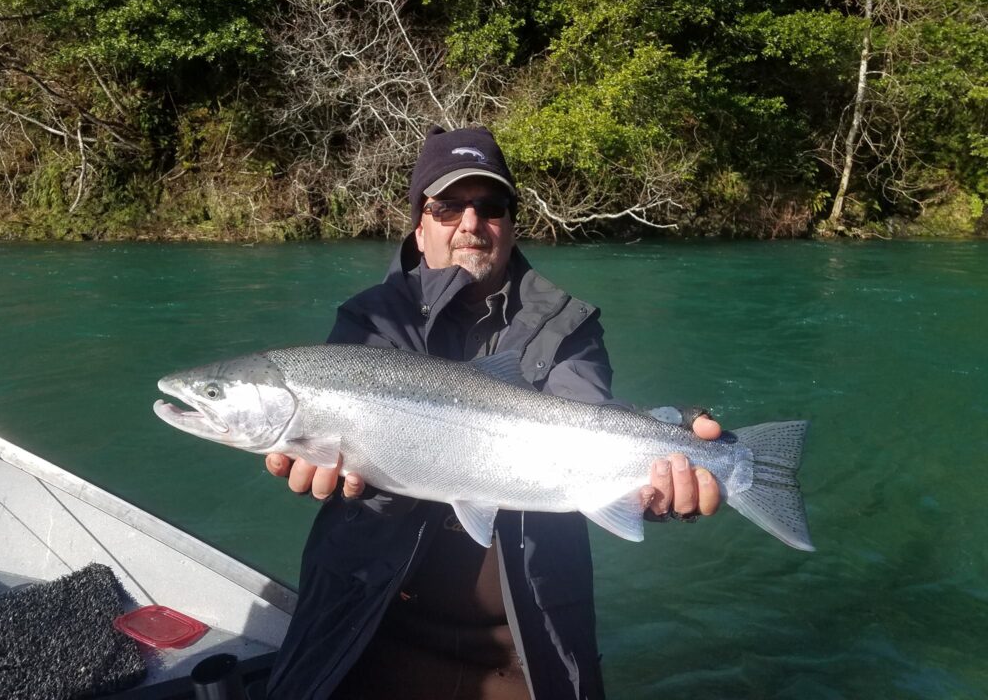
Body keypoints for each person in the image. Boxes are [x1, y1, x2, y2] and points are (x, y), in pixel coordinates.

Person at [264, 126, 722, 700]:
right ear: (420, 222)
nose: (470, 224)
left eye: (491, 206)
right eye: (448, 206)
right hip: (369, 622)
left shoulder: (568, 326)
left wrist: (667, 445)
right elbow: (351, 450)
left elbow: (587, 420)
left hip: (524, 641)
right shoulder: (371, 322)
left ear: (511, 221)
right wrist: (332, 474)